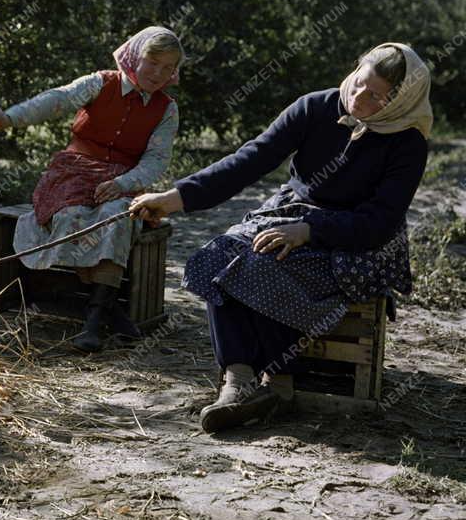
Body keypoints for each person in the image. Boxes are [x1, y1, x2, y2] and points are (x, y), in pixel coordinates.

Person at [129, 42, 432, 432]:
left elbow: (380, 221)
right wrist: (175, 198)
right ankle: (238, 382)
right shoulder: (315, 107)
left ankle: (279, 380)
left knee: (266, 262)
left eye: (375, 96)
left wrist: (310, 231)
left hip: (356, 235)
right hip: (292, 212)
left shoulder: (407, 142)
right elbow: (250, 159)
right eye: (358, 83)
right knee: (218, 253)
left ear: (400, 101)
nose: (358, 98)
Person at [0, 26, 183, 352]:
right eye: (153, 62)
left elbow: (156, 161)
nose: (158, 73)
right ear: (136, 56)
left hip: (122, 179)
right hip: (73, 172)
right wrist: (9, 118)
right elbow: (56, 100)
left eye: (168, 68)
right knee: (72, 216)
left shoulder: (167, 109)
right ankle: (112, 311)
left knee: (116, 216)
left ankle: (93, 321)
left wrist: (123, 183)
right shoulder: (100, 83)